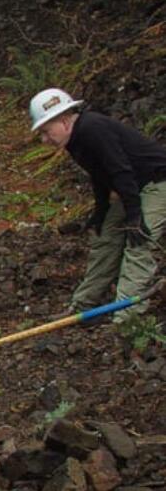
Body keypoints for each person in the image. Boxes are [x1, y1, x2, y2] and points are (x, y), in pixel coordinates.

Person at [30, 87, 166, 320]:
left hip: (157, 182)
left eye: (46, 131)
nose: (44, 139)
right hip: (132, 187)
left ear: (63, 121)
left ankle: (126, 319)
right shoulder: (74, 140)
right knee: (105, 239)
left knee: (139, 243)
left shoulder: (93, 128)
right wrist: (101, 211)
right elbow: (100, 174)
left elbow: (120, 169)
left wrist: (135, 216)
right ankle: (83, 307)